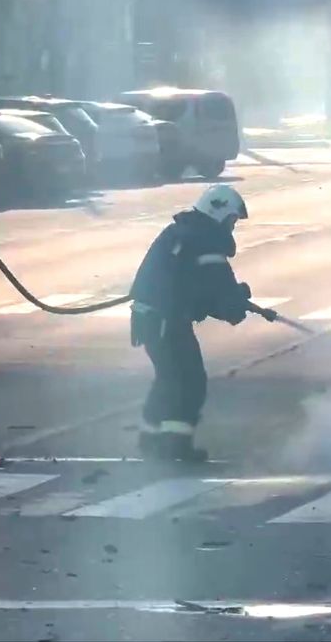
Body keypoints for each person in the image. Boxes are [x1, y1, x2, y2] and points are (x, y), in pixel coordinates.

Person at [129, 184, 275, 461]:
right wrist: (237, 300)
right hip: (166, 321)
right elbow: (220, 293)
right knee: (190, 381)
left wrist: (231, 299)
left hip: (150, 319)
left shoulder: (184, 233)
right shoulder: (205, 242)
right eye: (232, 220)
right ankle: (175, 445)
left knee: (169, 379)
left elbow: (201, 291)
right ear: (218, 213)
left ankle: (151, 440)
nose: (232, 227)